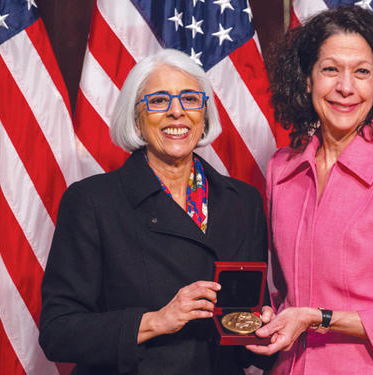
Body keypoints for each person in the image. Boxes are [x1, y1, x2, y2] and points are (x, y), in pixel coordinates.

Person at [39, 49, 273, 375]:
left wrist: (266, 333)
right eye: (159, 101)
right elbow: (58, 332)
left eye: (190, 99)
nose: (177, 112)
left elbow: (249, 327)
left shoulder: (243, 202)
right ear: (136, 118)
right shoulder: (92, 202)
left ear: (204, 114)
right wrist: (156, 321)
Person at [246, 5, 373, 374]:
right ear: (307, 78)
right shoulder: (281, 169)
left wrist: (317, 318)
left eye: (362, 72)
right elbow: (282, 292)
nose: (345, 87)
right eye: (330, 69)